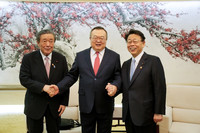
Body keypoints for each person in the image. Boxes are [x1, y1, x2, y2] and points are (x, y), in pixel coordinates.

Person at [52, 26, 121, 133]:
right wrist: (59, 87)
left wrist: (115, 85)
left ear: (106, 40)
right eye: (95, 37)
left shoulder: (114, 57)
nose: (98, 40)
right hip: (86, 103)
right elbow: (72, 76)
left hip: (105, 102)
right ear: (90, 39)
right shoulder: (81, 56)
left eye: (102, 38)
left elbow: (118, 76)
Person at [19, 29, 69, 133]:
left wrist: (64, 102)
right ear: (38, 42)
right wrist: (43, 87)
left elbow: (65, 81)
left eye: (51, 41)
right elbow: (24, 79)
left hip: (54, 104)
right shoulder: (29, 58)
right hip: (34, 104)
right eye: (44, 41)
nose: (48, 44)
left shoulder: (61, 59)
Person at [121, 29, 166, 133]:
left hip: (146, 115)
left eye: (135, 41)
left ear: (143, 43)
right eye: (129, 41)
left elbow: (160, 87)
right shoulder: (125, 65)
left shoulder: (153, 61)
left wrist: (158, 112)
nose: (132, 44)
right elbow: (124, 86)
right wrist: (113, 87)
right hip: (129, 114)